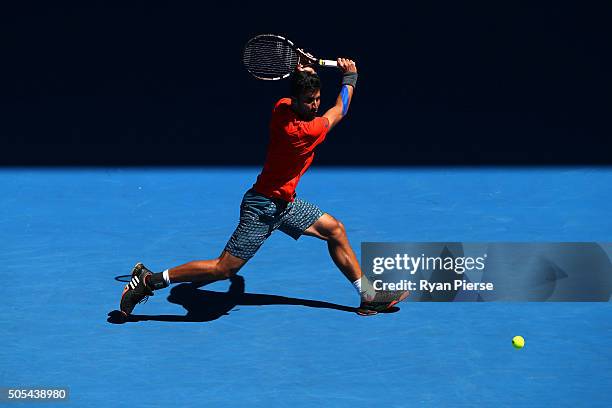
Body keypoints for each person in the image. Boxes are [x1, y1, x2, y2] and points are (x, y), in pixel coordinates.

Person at [119, 58, 408, 317]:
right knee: (224, 269)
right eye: (309, 100)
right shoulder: (305, 131)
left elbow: (311, 97)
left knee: (335, 230)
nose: (315, 104)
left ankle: (368, 297)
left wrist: (305, 73)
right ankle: (149, 280)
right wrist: (350, 77)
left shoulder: (281, 107)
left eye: (317, 98)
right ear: (295, 100)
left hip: (286, 203)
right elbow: (340, 109)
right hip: (262, 207)